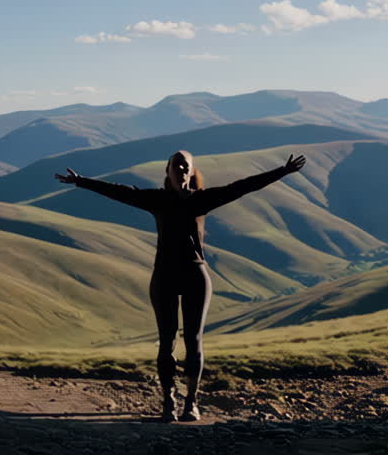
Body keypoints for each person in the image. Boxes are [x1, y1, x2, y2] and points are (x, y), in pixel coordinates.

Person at [54, 150, 306, 422]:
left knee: (193, 340)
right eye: (177, 166)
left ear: (191, 171)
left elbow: (242, 187)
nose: (182, 169)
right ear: (169, 172)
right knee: (166, 342)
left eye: (186, 166)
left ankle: (191, 402)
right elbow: (120, 192)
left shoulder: (202, 199)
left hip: (195, 274)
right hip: (164, 275)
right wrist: (81, 181)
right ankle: (168, 401)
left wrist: (282, 171)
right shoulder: (157, 200)